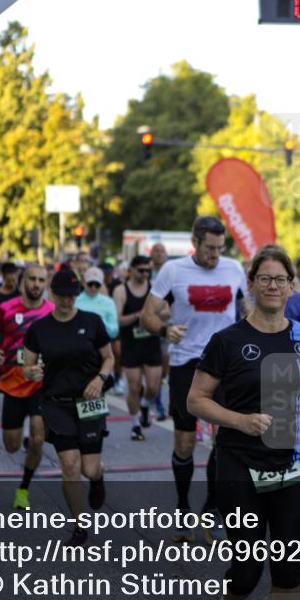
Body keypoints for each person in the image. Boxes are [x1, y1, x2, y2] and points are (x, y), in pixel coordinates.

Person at [189, 245, 300, 600]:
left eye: (281, 279)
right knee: (246, 569)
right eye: (265, 279)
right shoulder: (227, 341)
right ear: (251, 284)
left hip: (295, 464)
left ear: (293, 286)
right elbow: (196, 400)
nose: (273, 286)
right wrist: (240, 421)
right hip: (240, 463)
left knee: (287, 568)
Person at [140, 216, 248, 543]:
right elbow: (148, 314)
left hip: (227, 364)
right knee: (185, 443)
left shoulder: (234, 269)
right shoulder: (173, 271)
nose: (215, 255)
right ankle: (183, 506)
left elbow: (247, 310)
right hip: (188, 361)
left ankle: (213, 506)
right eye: (209, 248)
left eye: (220, 248)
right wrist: (164, 329)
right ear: (196, 242)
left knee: (224, 439)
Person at [23, 268, 114, 547]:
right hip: (56, 404)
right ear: (53, 295)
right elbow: (27, 366)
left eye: (72, 296)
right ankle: (79, 526)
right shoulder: (39, 329)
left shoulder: (93, 321)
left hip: (89, 402)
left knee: (89, 468)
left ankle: (98, 479)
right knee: (70, 466)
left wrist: (99, 379)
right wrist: (31, 372)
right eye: (62, 296)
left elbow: (108, 359)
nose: (67, 302)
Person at [0, 264, 54, 509]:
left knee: (37, 438)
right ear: (23, 281)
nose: (36, 284)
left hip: (40, 383)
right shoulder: (6, 309)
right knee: (11, 446)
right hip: (13, 381)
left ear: (46, 284)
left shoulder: (52, 312)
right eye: (32, 279)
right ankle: (21, 428)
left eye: (41, 280)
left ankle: (23, 488)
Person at [116, 255, 164, 441]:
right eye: (141, 270)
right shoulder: (121, 290)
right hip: (131, 344)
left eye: (147, 270)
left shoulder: (155, 289)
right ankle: (135, 425)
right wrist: (140, 315)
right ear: (132, 269)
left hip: (151, 343)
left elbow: (167, 311)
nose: (144, 273)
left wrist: (153, 316)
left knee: (153, 387)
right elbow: (119, 319)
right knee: (134, 387)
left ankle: (145, 405)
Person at [149, 242, 170, 419]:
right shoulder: (146, 273)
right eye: (156, 251)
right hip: (149, 327)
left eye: (162, 251)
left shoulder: (172, 272)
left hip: (168, 326)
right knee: (153, 371)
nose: (159, 254)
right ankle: (157, 403)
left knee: (164, 369)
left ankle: (155, 397)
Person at [76, 266, 119, 341]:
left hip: (101, 346)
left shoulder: (108, 302)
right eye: (90, 284)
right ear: (84, 283)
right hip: (79, 344)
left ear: (102, 284)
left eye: (97, 284)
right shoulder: (76, 300)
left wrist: (101, 321)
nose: (93, 287)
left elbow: (114, 332)